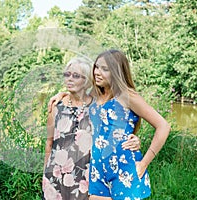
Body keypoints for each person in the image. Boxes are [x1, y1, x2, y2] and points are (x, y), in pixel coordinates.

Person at [43, 57, 141, 200]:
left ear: (87, 81)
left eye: (76, 76)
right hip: (55, 175)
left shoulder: (97, 106)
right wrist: (45, 175)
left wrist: (134, 140)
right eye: (67, 74)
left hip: (85, 177)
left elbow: (115, 131)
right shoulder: (55, 106)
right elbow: (49, 143)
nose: (70, 79)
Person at [88, 49, 170, 199]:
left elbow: (163, 126)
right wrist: (61, 95)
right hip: (97, 169)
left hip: (124, 168)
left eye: (104, 69)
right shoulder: (94, 95)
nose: (97, 72)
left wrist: (144, 163)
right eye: (96, 67)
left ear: (116, 72)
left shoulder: (127, 96)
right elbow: (73, 97)